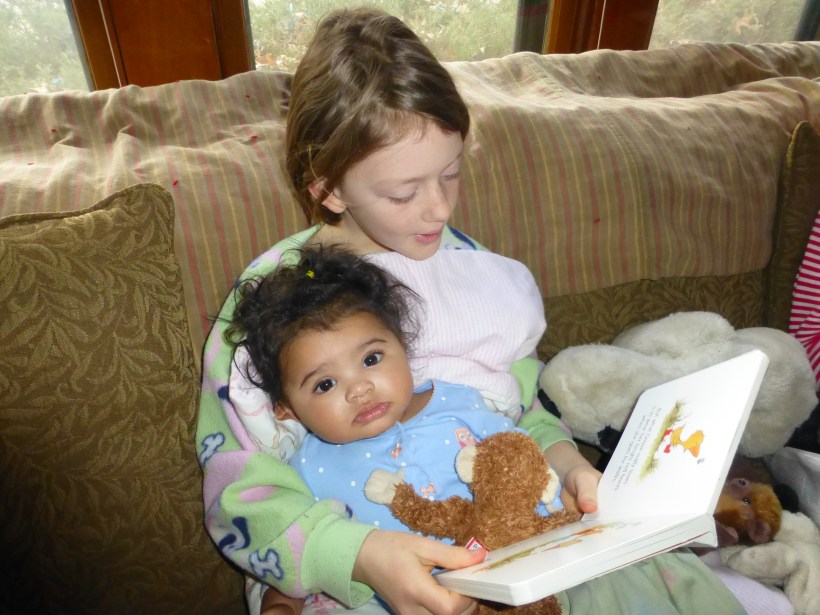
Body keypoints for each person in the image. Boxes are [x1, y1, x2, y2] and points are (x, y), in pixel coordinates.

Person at [196, 6, 749, 615]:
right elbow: (240, 491)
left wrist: (571, 471)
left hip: (525, 534)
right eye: (403, 193)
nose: (437, 211)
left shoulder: (474, 271)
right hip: (369, 563)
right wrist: (359, 555)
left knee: (662, 587)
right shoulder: (271, 303)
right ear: (326, 187)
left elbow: (522, 410)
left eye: (451, 175)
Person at [227, 244, 570, 613]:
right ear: (287, 410)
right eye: (324, 384)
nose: (359, 388)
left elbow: (520, 463)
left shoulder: (460, 402)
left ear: (404, 348)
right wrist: (280, 604)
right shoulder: (307, 469)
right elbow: (298, 559)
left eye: (371, 359)